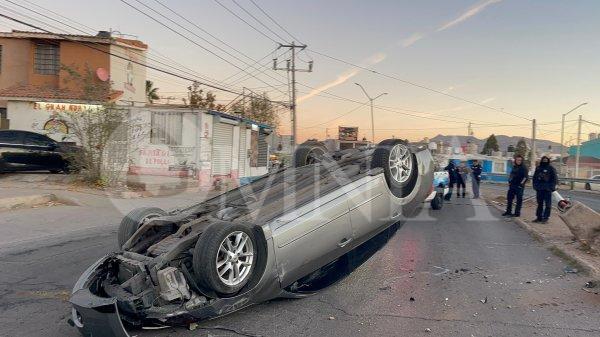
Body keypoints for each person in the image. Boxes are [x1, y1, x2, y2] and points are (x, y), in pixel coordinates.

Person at [532, 156, 557, 223]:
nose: (545, 161)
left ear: (548, 160)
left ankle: (545, 218)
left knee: (548, 205)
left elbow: (554, 179)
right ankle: (539, 217)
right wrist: (535, 186)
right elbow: (534, 178)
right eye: (544, 160)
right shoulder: (538, 168)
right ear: (542, 160)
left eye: (546, 160)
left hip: (547, 189)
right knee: (539, 204)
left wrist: (551, 187)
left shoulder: (551, 168)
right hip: (539, 189)